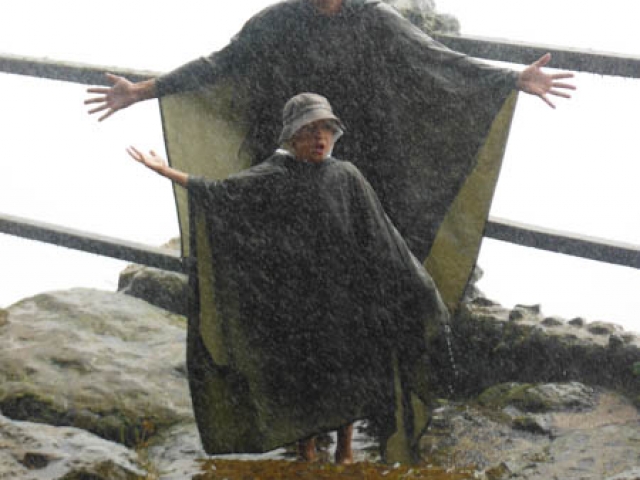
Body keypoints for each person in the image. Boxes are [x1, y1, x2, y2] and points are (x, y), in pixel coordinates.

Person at [85, 0, 575, 310]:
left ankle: (366, 388)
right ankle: (308, 400)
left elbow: (436, 61)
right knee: (301, 275)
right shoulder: (275, 22)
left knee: (367, 274)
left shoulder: (376, 19)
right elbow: (219, 64)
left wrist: (512, 78)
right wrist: (142, 91)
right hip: (298, 161)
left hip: (368, 167)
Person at [126, 92, 452, 463]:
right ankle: (306, 452)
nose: (320, 139)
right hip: (296, 298)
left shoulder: (346, 176)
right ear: (292, 136)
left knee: (347, 373)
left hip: (344, 296)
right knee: (304, 376)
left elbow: (380, 233)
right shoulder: (274, 174)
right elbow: (222, 194)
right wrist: (166, 171)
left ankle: (345, 452)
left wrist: (412, 283)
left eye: (326, 130)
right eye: (310, 130)